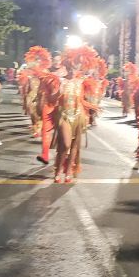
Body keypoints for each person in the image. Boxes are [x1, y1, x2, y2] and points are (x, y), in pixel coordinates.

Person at [40, 47, 96, 184]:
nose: (72, 71)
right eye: (70, 68)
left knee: (75, 146)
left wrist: (92, 108)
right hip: (63, 115)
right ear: (65, 67)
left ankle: (69, 170)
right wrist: (56, 93)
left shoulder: (82, 82)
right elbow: (51, 100)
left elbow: (85, 98)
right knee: (65, 145)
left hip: (78, 116)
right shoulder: (59, 81)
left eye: (75, 68)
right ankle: (58, 169)